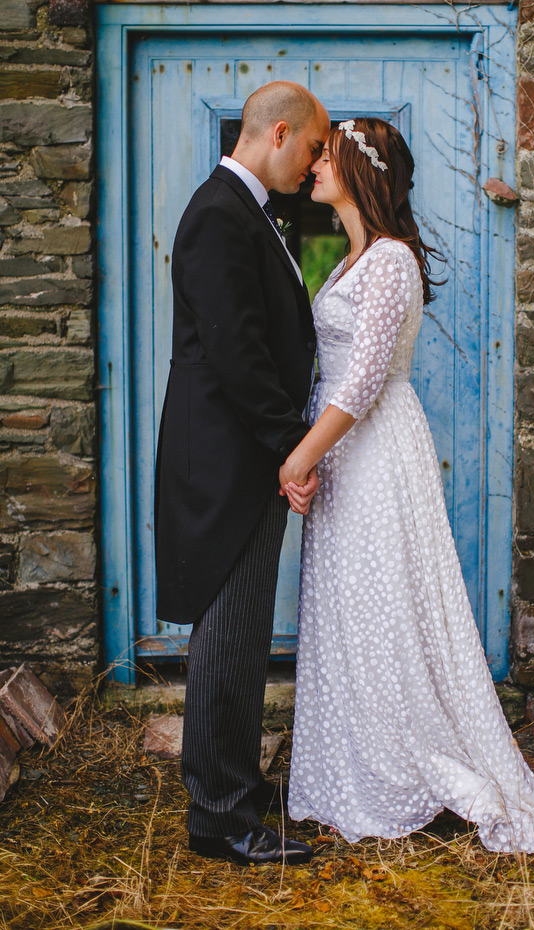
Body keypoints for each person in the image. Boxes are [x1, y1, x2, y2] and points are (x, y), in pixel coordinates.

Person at [280, 118, 534, 853]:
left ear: (360, 170)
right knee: (350, 607)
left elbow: (366, 380)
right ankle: (352, 772)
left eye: (327, 155)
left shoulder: (389, 262)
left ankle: (403, 770)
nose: (315, 164)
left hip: (374, 450)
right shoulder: (352, 258)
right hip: (345, 452)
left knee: (384, 604)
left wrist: (298, 459)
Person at [154, 81, 330, 865]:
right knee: (228, 635)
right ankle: (219, 816)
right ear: (280, 132)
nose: (316, 163)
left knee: (243, 631)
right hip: (228, 462)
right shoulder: (220, 214)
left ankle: (235, 787)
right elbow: (236, 354)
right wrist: (293, 445)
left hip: (244, 457)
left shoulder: (247, 210)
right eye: (314, 148)